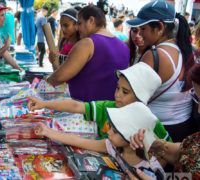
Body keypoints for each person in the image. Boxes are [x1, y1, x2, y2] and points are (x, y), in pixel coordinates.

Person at [29, 62, 171, 142]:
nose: (117, 95)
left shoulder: (151, 123)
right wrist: (44, 104)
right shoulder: (109, 107)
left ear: (141, 97)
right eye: (117, 88)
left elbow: (169, 152)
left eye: (125, 92)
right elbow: (76, 105)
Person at [34, 102, 165, 178]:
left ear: (132, 138)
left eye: (114, 130)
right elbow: (80, 141)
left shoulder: (151, 170)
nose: (108, 132)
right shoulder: (113, 146)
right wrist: (48, 131)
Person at [127, 0, 195, 142]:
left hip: (157, 131)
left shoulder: (154, 55)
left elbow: (131, 96)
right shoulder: (185, 49)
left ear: (160, 27)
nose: (140, 34)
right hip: (183, 127)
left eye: (144, 28)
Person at [46, 5, 129, 102]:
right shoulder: (123, 46)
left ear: (91, 20)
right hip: (111, 109)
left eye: (79, 23)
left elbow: (60, 76)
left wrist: (44, 84)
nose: (77, 28)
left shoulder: (87, 43)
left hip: (87, 111)